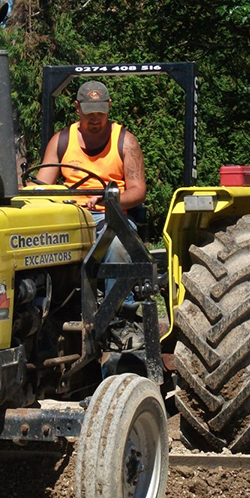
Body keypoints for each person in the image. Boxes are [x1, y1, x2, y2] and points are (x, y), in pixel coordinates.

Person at [37, 81, 146, 348]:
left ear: (108, 108)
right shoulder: (62, 140)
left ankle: (120, 319)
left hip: (110, 217)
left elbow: (138, 191)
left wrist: (112, 198)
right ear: (77, 109)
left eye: (100, 112)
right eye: (89, 113)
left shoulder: (125, 141)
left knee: (119, 244)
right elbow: (40, 186)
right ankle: (44, 313)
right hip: (69, 216)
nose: (95, 119)